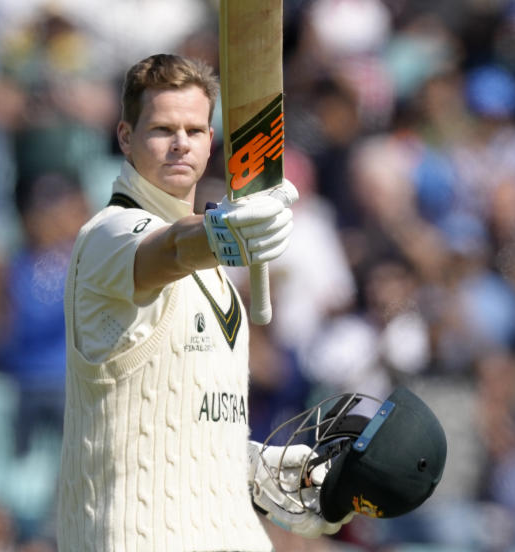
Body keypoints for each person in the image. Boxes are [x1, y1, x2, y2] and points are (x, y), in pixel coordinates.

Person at [56, 53, 345, 551]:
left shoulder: (216, 277)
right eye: (162, 129)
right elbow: (168, 249)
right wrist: (224, 231)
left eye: (194, 129)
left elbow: (186, 418)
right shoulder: (107, 234)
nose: (180, 144)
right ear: (125, 137)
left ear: (211, 142)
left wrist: (256, 465)